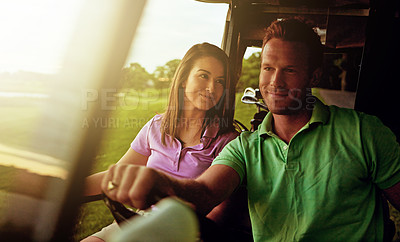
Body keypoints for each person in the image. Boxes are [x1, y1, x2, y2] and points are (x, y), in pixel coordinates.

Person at [100, 18, 400, 241]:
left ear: (314, 75)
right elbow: (204, 191)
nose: (275, 82)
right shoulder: (244, 147)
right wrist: (162, 182)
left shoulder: (364, 133)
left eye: (290, 70)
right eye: (268, 68)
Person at [81, 42, 247, 242]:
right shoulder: (156, 126)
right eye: (204, 76)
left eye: (220, 81)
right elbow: (117, 172)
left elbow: (218, 213)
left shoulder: (228, 142)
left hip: (187, 233)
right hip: (139, 221)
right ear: (184, 79)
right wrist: (71, 188)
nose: (212, 87)